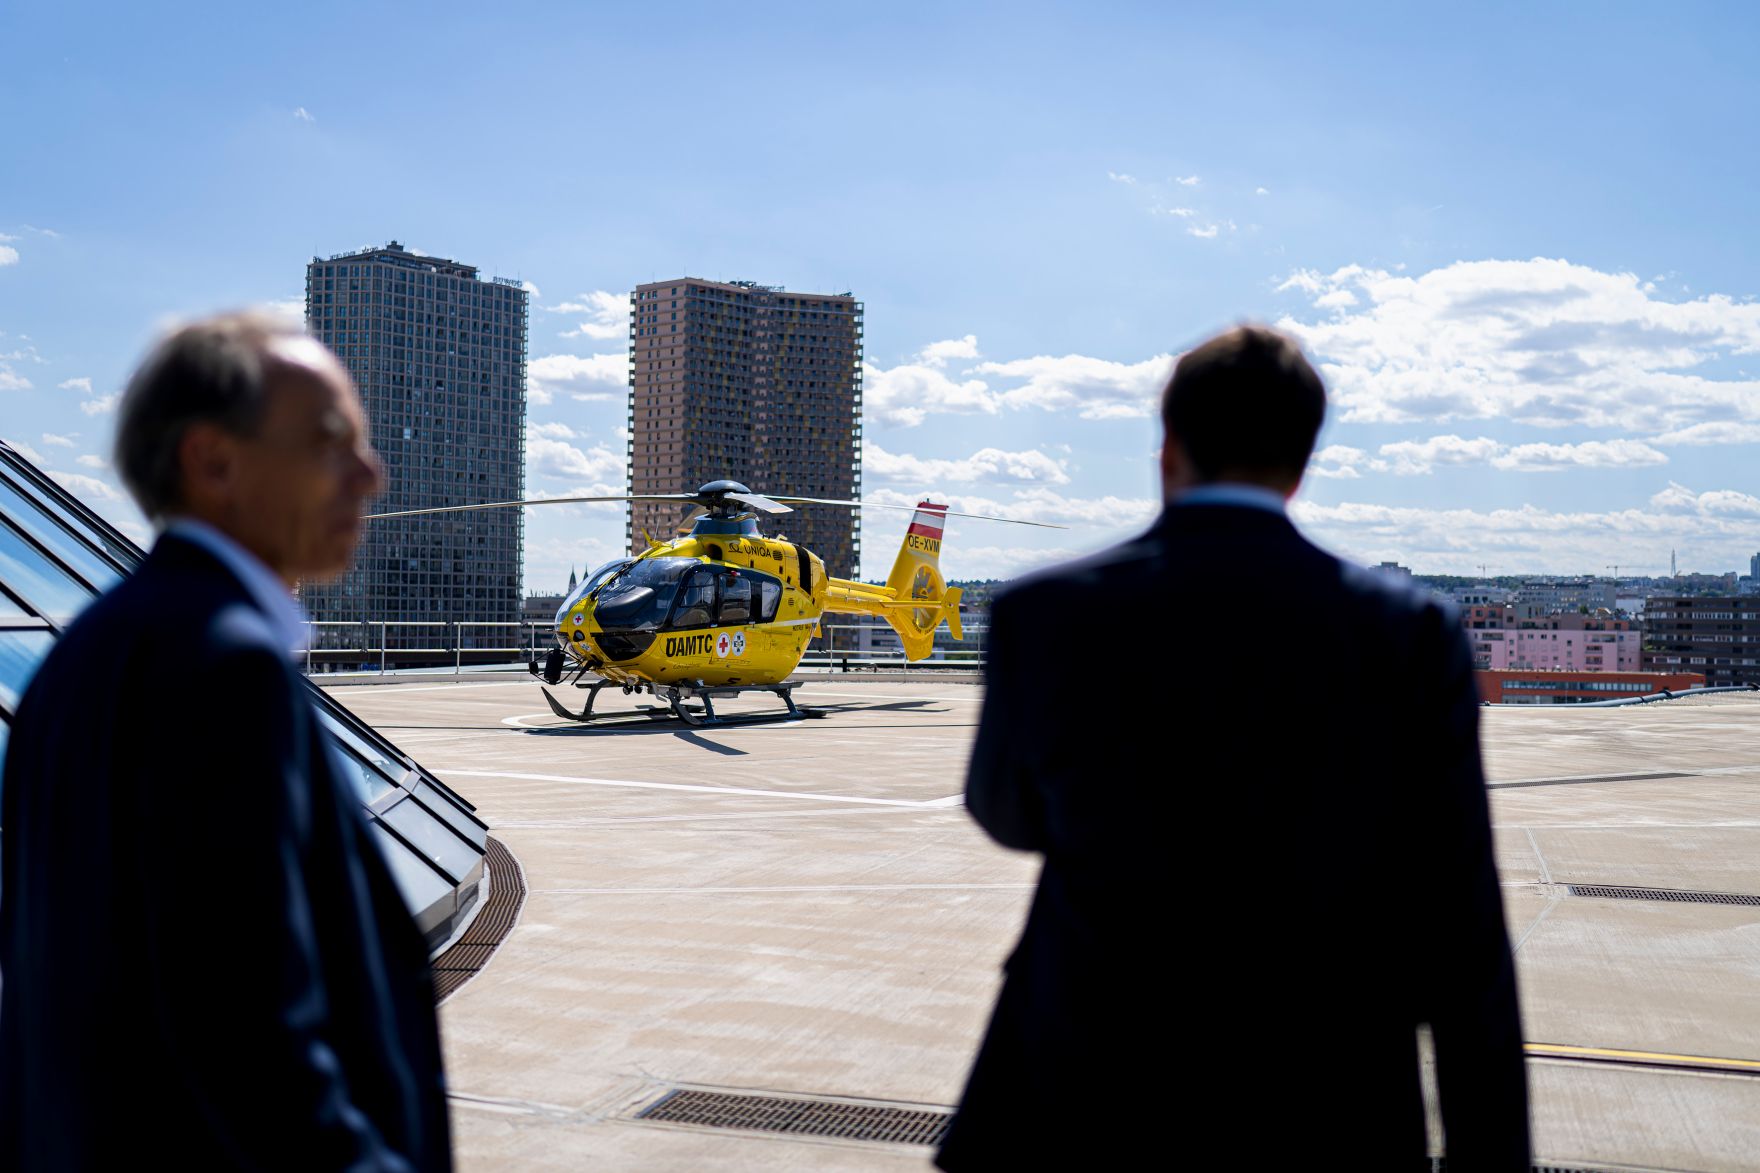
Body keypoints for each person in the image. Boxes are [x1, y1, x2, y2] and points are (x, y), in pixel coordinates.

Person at [937, 326, 1530, 1169]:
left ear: (1168, 447)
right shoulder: (1410, 630)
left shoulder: (1045, 610)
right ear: (1303, 460)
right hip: (1331, 1102)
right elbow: (1459, 917)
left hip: (1077, 1085)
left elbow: (1004, 811)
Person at [0, 313, 452, 1169]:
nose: (370, 473)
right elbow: (248, 1041)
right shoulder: (223, 668)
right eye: (330, 441)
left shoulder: (84, 655)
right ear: (213, 461)